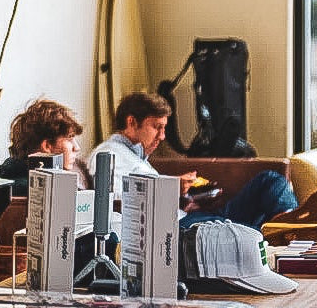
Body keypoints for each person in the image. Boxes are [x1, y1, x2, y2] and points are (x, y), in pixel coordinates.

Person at [87, 91, 296, 230]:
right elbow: (114, 204)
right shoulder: (108, 155)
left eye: (164, 128)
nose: (162, 136)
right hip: (180, 227)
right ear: (132, 122)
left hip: (186, 215)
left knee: (269, 180)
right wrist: (171, 189)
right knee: (238, 229)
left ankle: (289, 224)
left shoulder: (135, 155)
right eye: (156, 127)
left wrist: (184, 198)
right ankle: (285, 232)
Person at [0, 98, 92, 195]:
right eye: (69, 138)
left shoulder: (2, 180)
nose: (76, 147)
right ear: (47, 146)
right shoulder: (45, 191)